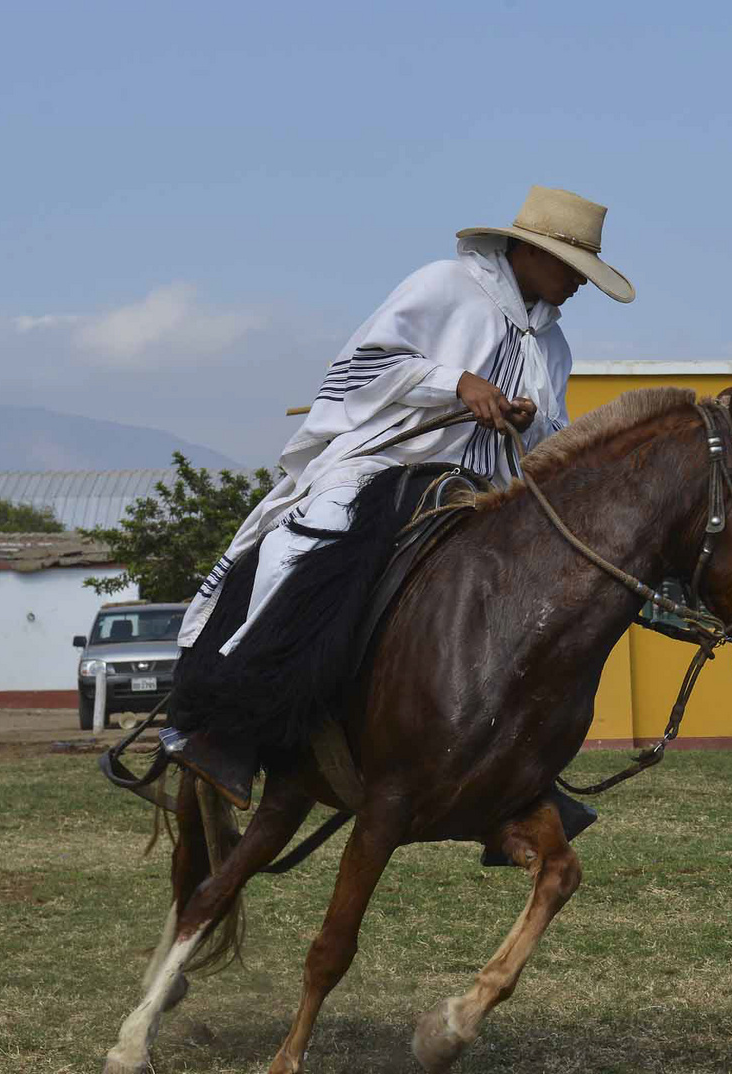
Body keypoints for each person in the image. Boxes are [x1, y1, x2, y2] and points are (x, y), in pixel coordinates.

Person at [162, 185, 635, 809]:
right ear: (527, 251)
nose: (578, 284)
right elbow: (359, 367)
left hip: (481, 492)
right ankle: (226, 730)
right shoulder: (444, 286)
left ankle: (519, 767)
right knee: (312, 541)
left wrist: (528, 422)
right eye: (571, 268)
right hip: (391, 465)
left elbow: (553, 434)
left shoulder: (553, 346)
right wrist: (456, 383)